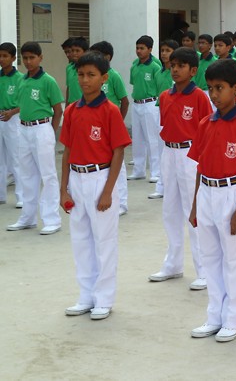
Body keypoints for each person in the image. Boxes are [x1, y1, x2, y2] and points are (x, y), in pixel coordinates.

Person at [188, 59, 236, 343]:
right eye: (211, 88)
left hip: (232, 193)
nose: (214, 94)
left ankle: (233, 318)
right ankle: (214, 315)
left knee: (233, 260)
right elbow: (200, 165)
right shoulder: (205, 123)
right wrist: (195, 204)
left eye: (220, 88)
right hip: (207, 192)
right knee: (210, 259)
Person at [60, 51, 131, 320]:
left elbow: (118, 152)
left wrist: (108, 191)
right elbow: (67, 151)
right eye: (81, 74)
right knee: (81, 240)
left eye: (91, 75)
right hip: (77, 178)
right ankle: (86, 295)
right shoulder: (72, 110)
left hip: (100, 177)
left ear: (104, 78)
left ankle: (104, 298)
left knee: (104, 241)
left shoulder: (110, 111)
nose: (85, 80)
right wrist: (63, 188)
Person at [147, 47, 213, 291]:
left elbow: (207, 128)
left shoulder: (200, 97)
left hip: (190, 154)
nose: (175, 69)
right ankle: (173, 264)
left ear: (193, 70)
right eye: (172, 65)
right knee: (170, 209)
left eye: (181, 66)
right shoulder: (165, 96)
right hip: (169, 152)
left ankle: (204, 269)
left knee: (193, 210)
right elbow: (165, 125)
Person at [7, 42, 63, 234]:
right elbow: (23, 105)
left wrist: (51, 133)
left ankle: (52, 219)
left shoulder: (48, 81)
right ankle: (28, 217)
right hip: (24, 129)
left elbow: (58, 110)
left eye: (32, 57)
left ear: (40, 58)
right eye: (25, 58)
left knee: (48, 175)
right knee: (27, 174)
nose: (29, 61)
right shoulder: (22, 80)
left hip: (42, 128)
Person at [90, 41, 130, 216]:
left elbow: (124, 101)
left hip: (111, 124)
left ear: (108, 57)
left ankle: (122, 203)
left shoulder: (113, 76)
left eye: (98, 54)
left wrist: (118, 123)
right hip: (96, 126)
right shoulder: (93, 78)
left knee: (118, 164)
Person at [127, 35, 162, 183]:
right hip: (136, 103)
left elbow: (159, 86)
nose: (139, 51)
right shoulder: (134, 66)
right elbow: (134, 84)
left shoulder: (155, 66)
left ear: (150, 49)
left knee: (152, 139)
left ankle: (156, 172)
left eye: (142, 48)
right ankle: (138, 170)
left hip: (150, 103)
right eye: (137, 48)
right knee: (137, 138)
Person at [147, 39, 179, 200]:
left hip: (177, 115)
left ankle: (173, 185)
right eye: (162, 50)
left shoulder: (178, 74)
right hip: (162, 112)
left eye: (168, 50)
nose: (164, 54)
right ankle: (161, 185)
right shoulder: (159, 72)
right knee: (162, 150)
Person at [0, 42, 24, 208]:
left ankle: (21, 196)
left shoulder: (20, 78)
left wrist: (12, 112)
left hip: (13, 119)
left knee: (15, 158)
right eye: (0, 56)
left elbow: (25, 102)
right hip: (0, 116)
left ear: (13, 58)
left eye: (5, 56)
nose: (2, 59)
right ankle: (1, 195)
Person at [65, 37, 89, 108]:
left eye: (77, 51)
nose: (74, 53)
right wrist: (67, 106)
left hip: (85, 106)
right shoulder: (69, 68)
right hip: (72, 106)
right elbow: (68, 88)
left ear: (85, 52)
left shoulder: (89, 69)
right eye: (72, 50)